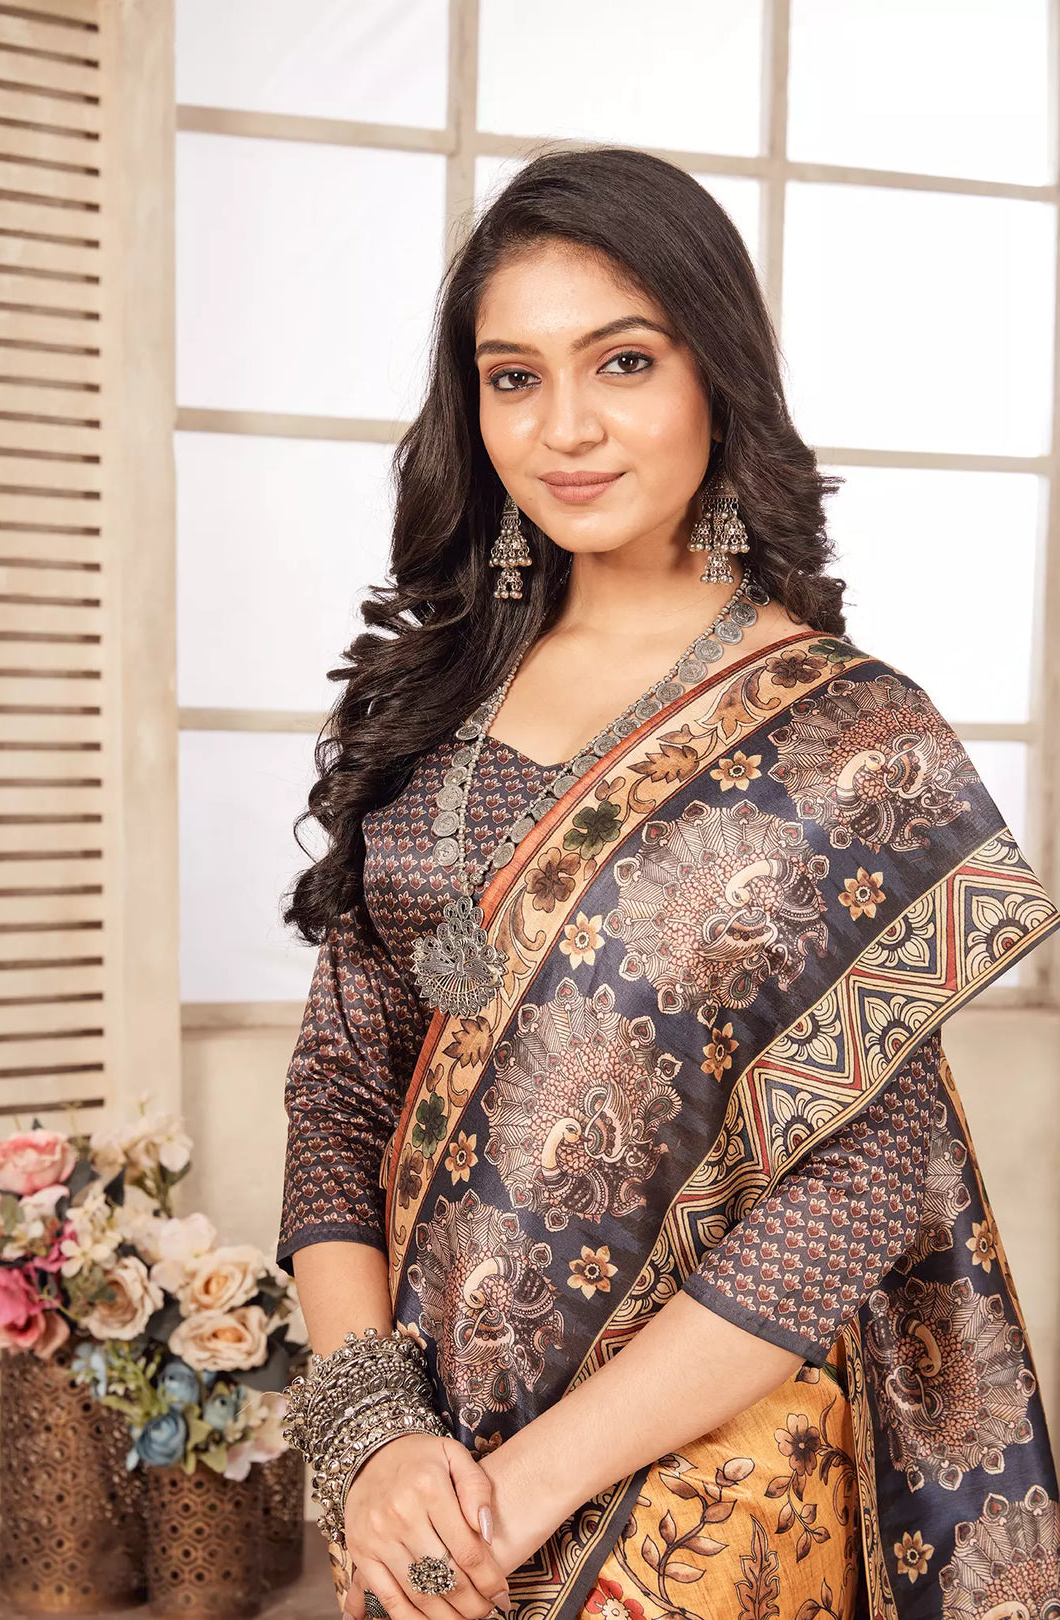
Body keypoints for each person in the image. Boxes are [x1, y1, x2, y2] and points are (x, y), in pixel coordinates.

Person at [275, 147, 1060, 1620]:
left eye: (621, 362)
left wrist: (539, 1480)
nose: (564, 427)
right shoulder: (426, 707)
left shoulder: (845, 735)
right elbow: (339, 1091)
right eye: (514, 377)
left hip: (706, 1494)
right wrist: (372, 1432)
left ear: (718, 374)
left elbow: (863, 1180)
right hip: (427, 1485)